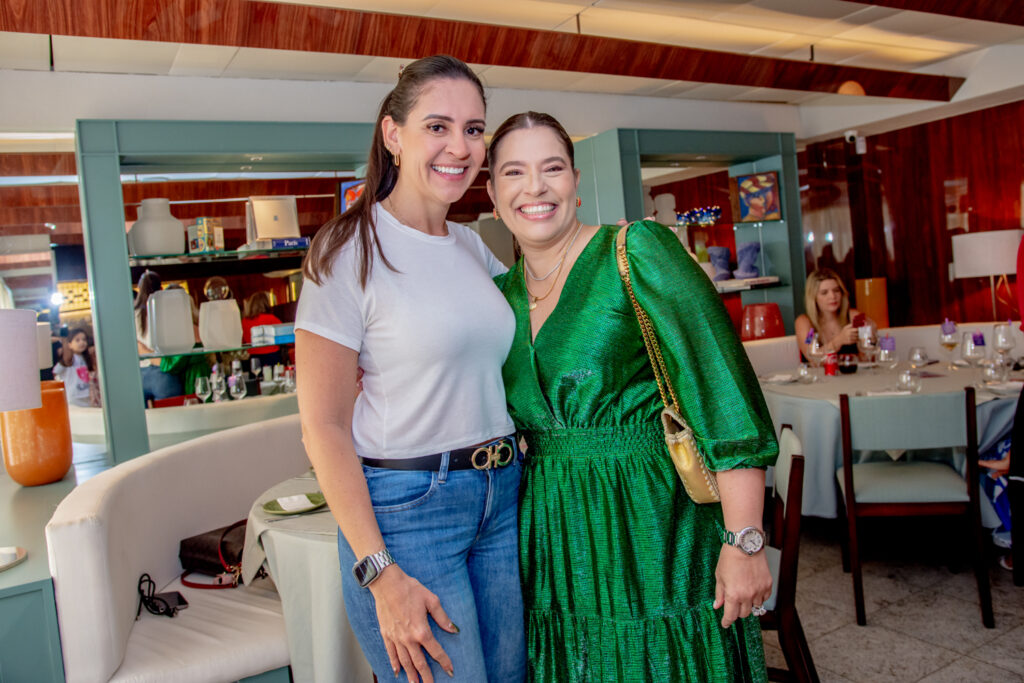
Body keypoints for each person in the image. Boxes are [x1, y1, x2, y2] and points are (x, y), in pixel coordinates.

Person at [487, 111, 778, 681]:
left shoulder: (635, 250)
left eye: (552, 168)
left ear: (575, 183)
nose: (535, 187)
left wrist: (745, 542)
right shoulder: (496, 297)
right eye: (514, 173)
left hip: (653, 520)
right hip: (552, 532)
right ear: (494, 196)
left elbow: (723, 394)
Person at [294, 55, 525, 683]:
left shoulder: (474, 246)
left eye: (475, 129)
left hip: (503, 495)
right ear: (393, 135)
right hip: (409, 512)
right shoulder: (346, 250)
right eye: (438, 126)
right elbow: (323, 428)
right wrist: (378, 571)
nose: (460, 146)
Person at [794, 268, 874, 361]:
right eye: (824, 293)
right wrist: (839, 341)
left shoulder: (854, 316)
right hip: (819, 375)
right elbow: (814, 359)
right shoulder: (804, 322)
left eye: (836, 290)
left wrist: (870, 340)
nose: (832, 296)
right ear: (813, 297)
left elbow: (867, 359)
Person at [134, 270, 184, 403]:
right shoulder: (167, 311)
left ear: (139, 289)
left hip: (137, 375)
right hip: (163, 373)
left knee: (142, 422)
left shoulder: (132, 314)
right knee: (171, 419)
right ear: (161, 288)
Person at [53, 327, 95, 407]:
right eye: (77, 340)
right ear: (69, 344)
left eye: (84, 339)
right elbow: (56, 372)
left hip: (88, 396)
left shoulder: (86, 358)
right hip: (74, 399)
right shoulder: (68, 360)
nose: (82, 342)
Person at [241, 291, 283, 368]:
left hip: (254, 358)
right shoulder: (272, 319)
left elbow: (243, 341)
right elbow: (284, 338)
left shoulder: (244, 321)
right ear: (266, 303)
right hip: (272, 357)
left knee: (256, 379)